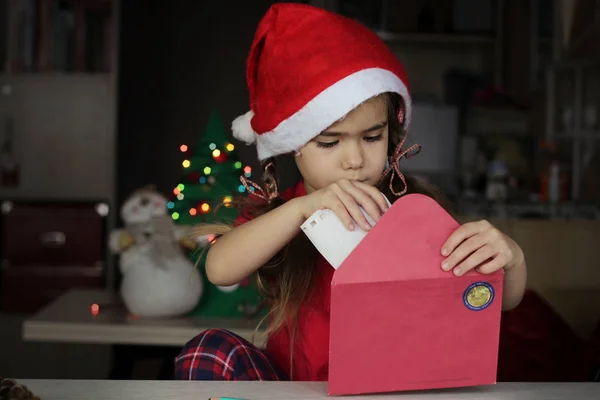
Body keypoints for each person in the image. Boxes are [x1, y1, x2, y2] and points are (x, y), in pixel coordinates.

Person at [174, 3, 527, 382]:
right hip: (293, 388)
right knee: (207, 352)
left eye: (372, 137)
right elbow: (219, 269)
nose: (355, 160)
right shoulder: (283, 211)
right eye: (330, 143)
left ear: (393, 135)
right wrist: (300, 211)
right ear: (294, 144)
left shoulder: (411, 211)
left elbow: (493, 299)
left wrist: (512, 258)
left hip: (389, 385)